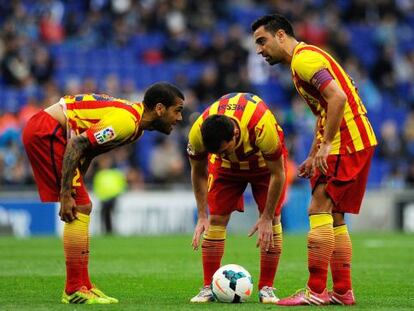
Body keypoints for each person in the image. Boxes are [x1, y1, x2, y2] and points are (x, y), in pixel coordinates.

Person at [252, 14, 377, 306]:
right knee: (334, 216)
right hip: (354, 140)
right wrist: (312, 153)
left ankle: (316, 290)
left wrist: (328, 144)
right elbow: (325, 111)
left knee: (318, 208)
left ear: (281, 35)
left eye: (262, 41)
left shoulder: (303, 61)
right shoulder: (306, 59)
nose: (259, 50)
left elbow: (337, 99)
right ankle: (343, 291)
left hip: (346, 141)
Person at [22, 82, 184, 304]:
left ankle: (84, 285)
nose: (179, 118)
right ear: (159, 109)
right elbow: (77, 143)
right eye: (177, 110)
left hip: (54, 130)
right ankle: (73, 289)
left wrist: (77, 182)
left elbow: (88, 149)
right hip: (47, 131)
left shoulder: (134, 127)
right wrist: (66, 193)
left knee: (83, 205)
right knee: (81, 206)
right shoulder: (126, 123)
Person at [188, 92, 287, 304]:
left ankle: (267, 288)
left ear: (235, 133)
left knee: (274, 221)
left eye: (224, 150)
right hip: (227, 171)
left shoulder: (261, 124)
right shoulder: (197, 131)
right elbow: (197, 170)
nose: (221, 154)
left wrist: (267, 216)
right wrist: (201, 215)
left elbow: (278, 173)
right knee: (215, 220)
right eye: (216, 152)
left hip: (264, 166)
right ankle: (208, 287)